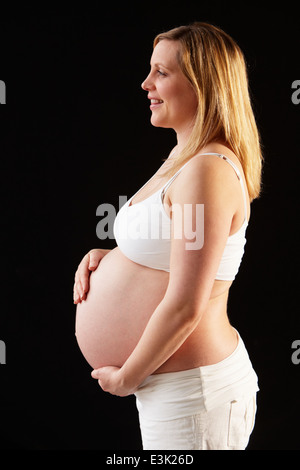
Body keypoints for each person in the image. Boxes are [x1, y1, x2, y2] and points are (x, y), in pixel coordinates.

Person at [73, 22, 263, 450]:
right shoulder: (185, 157)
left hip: (194, 396)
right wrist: (115, 257)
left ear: (203, 84)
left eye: (161, 72)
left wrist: (127, 378)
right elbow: (174, 246)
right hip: (176, 391)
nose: (146, 84)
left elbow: (185, 305)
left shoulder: (206, 171)